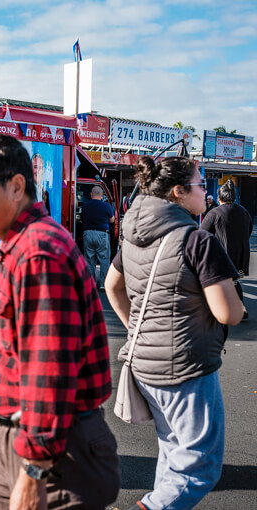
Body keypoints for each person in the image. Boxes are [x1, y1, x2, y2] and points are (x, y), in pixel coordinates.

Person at [0, 134, 119, 510]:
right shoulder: (21, 244)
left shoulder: (38, 254)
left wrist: (33, 471)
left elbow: (50, 371)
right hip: (24, 442)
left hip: (55, 457)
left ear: (15, 186)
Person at [105, 156, 243, 510]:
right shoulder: (197, 241)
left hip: (144, 364)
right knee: (200, 467)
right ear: (179, 192)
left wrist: (135, 325)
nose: (207, 192)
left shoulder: (133, 235)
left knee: (173, 452)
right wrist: (239, 307)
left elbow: (112, 285)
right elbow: (227, 313)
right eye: (201, 185)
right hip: (185, 367)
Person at [201, 179, 253, 321]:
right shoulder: (244, 211)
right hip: (241, 256)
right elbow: (248, 231)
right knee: (233, 282)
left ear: (219, 197)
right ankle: (241, 309)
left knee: (214, 283)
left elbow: (202, 234)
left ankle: (214, 311)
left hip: (222, 256)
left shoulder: (214, 213)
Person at [82, 186, 115, 289]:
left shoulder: (85, 206)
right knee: (104, 259)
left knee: (89, 259)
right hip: (102, 234)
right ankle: (103, 284)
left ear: (91, 194)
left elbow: (82, 218)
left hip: (88, 234)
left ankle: (91, 284)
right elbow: (112, 220)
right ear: (101, 195)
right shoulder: (106, 206)